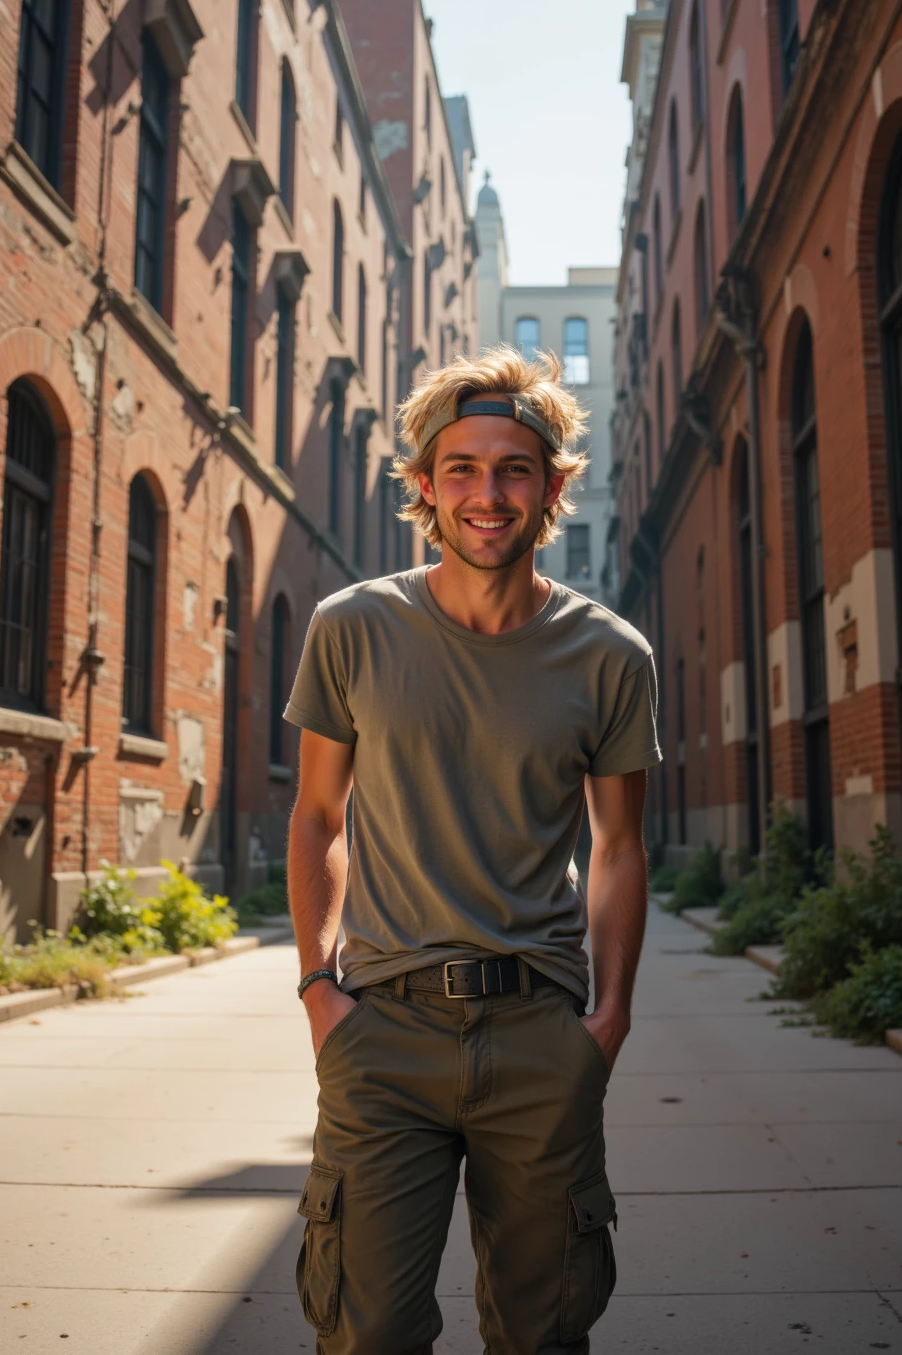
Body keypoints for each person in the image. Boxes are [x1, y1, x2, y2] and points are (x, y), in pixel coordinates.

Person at [285, 345, 660, 1354]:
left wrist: (610, 1018)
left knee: (541, 1334)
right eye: (461, 468)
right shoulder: (351, 628)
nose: (486, 494)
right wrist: (320, 990)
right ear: (424, 486)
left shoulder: (611, 655)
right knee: (368, 1331)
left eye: (512, 470)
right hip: (383, 1031)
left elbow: (619, 848)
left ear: (550, 487)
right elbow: (319, 817)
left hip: (541, 1029)